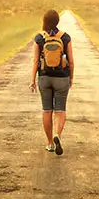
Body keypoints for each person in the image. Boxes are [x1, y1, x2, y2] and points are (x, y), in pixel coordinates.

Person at [29, 9, 74, 155]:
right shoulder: (65, 37)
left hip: (44, 78)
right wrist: (71, 77)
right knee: (60, 110)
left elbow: (36, 61)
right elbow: (71, 61)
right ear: (57, 21)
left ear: (44, 21)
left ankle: (49, 143)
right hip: (62, 78)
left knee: (47, 110)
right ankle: (57, 136)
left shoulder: (39, 37)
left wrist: (32, 81)